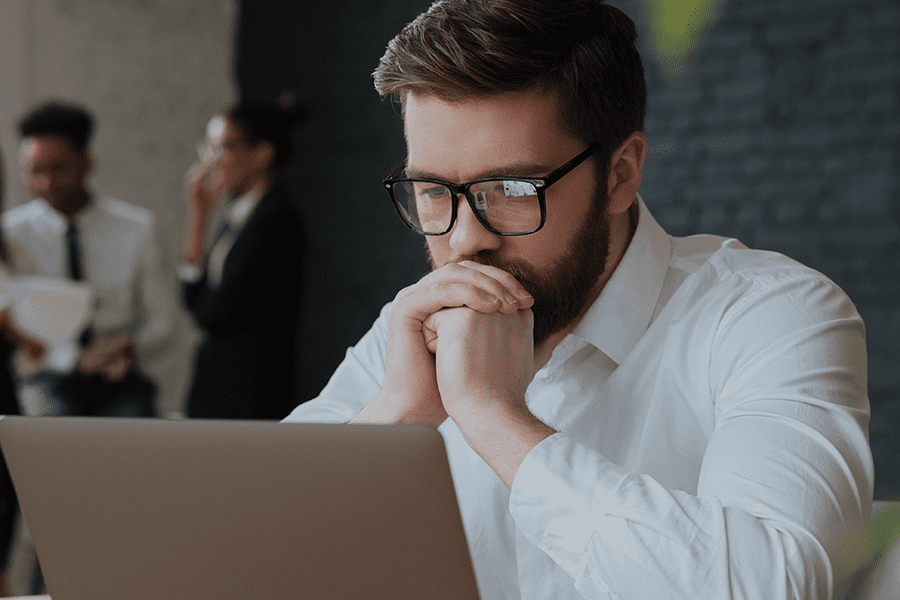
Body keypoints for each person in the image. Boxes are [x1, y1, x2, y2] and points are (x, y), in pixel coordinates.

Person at [284, 1, 874, 599]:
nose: (464, 239)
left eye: (511, 189)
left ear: (619, 175)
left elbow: (775, 586)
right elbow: (252, 547)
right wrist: (395, 422)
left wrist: (493, 417)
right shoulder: (411, 334)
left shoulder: (770, 314)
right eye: (432, 190)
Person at [2, 101, 175, 418]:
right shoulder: (11, 234)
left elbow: (163, 322)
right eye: (33, 170)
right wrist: (72, 359)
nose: (46, 182)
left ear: (87, 163)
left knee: (136, 445)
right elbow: (11, 322)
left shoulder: (137, 228)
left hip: (119, 374)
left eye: (58, 168)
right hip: (47, 374)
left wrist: (128, 347)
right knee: (46, 444)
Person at [180, 100, 307, 420]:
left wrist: (198, 219)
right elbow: (196, 298)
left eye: (222, 147)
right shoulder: (240, 217)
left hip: (248, 393)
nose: (210, 161)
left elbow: (213, 311)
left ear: (262, 154)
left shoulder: (275, 221)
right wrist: (199, 220)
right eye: (207, 148)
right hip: (222, 386)